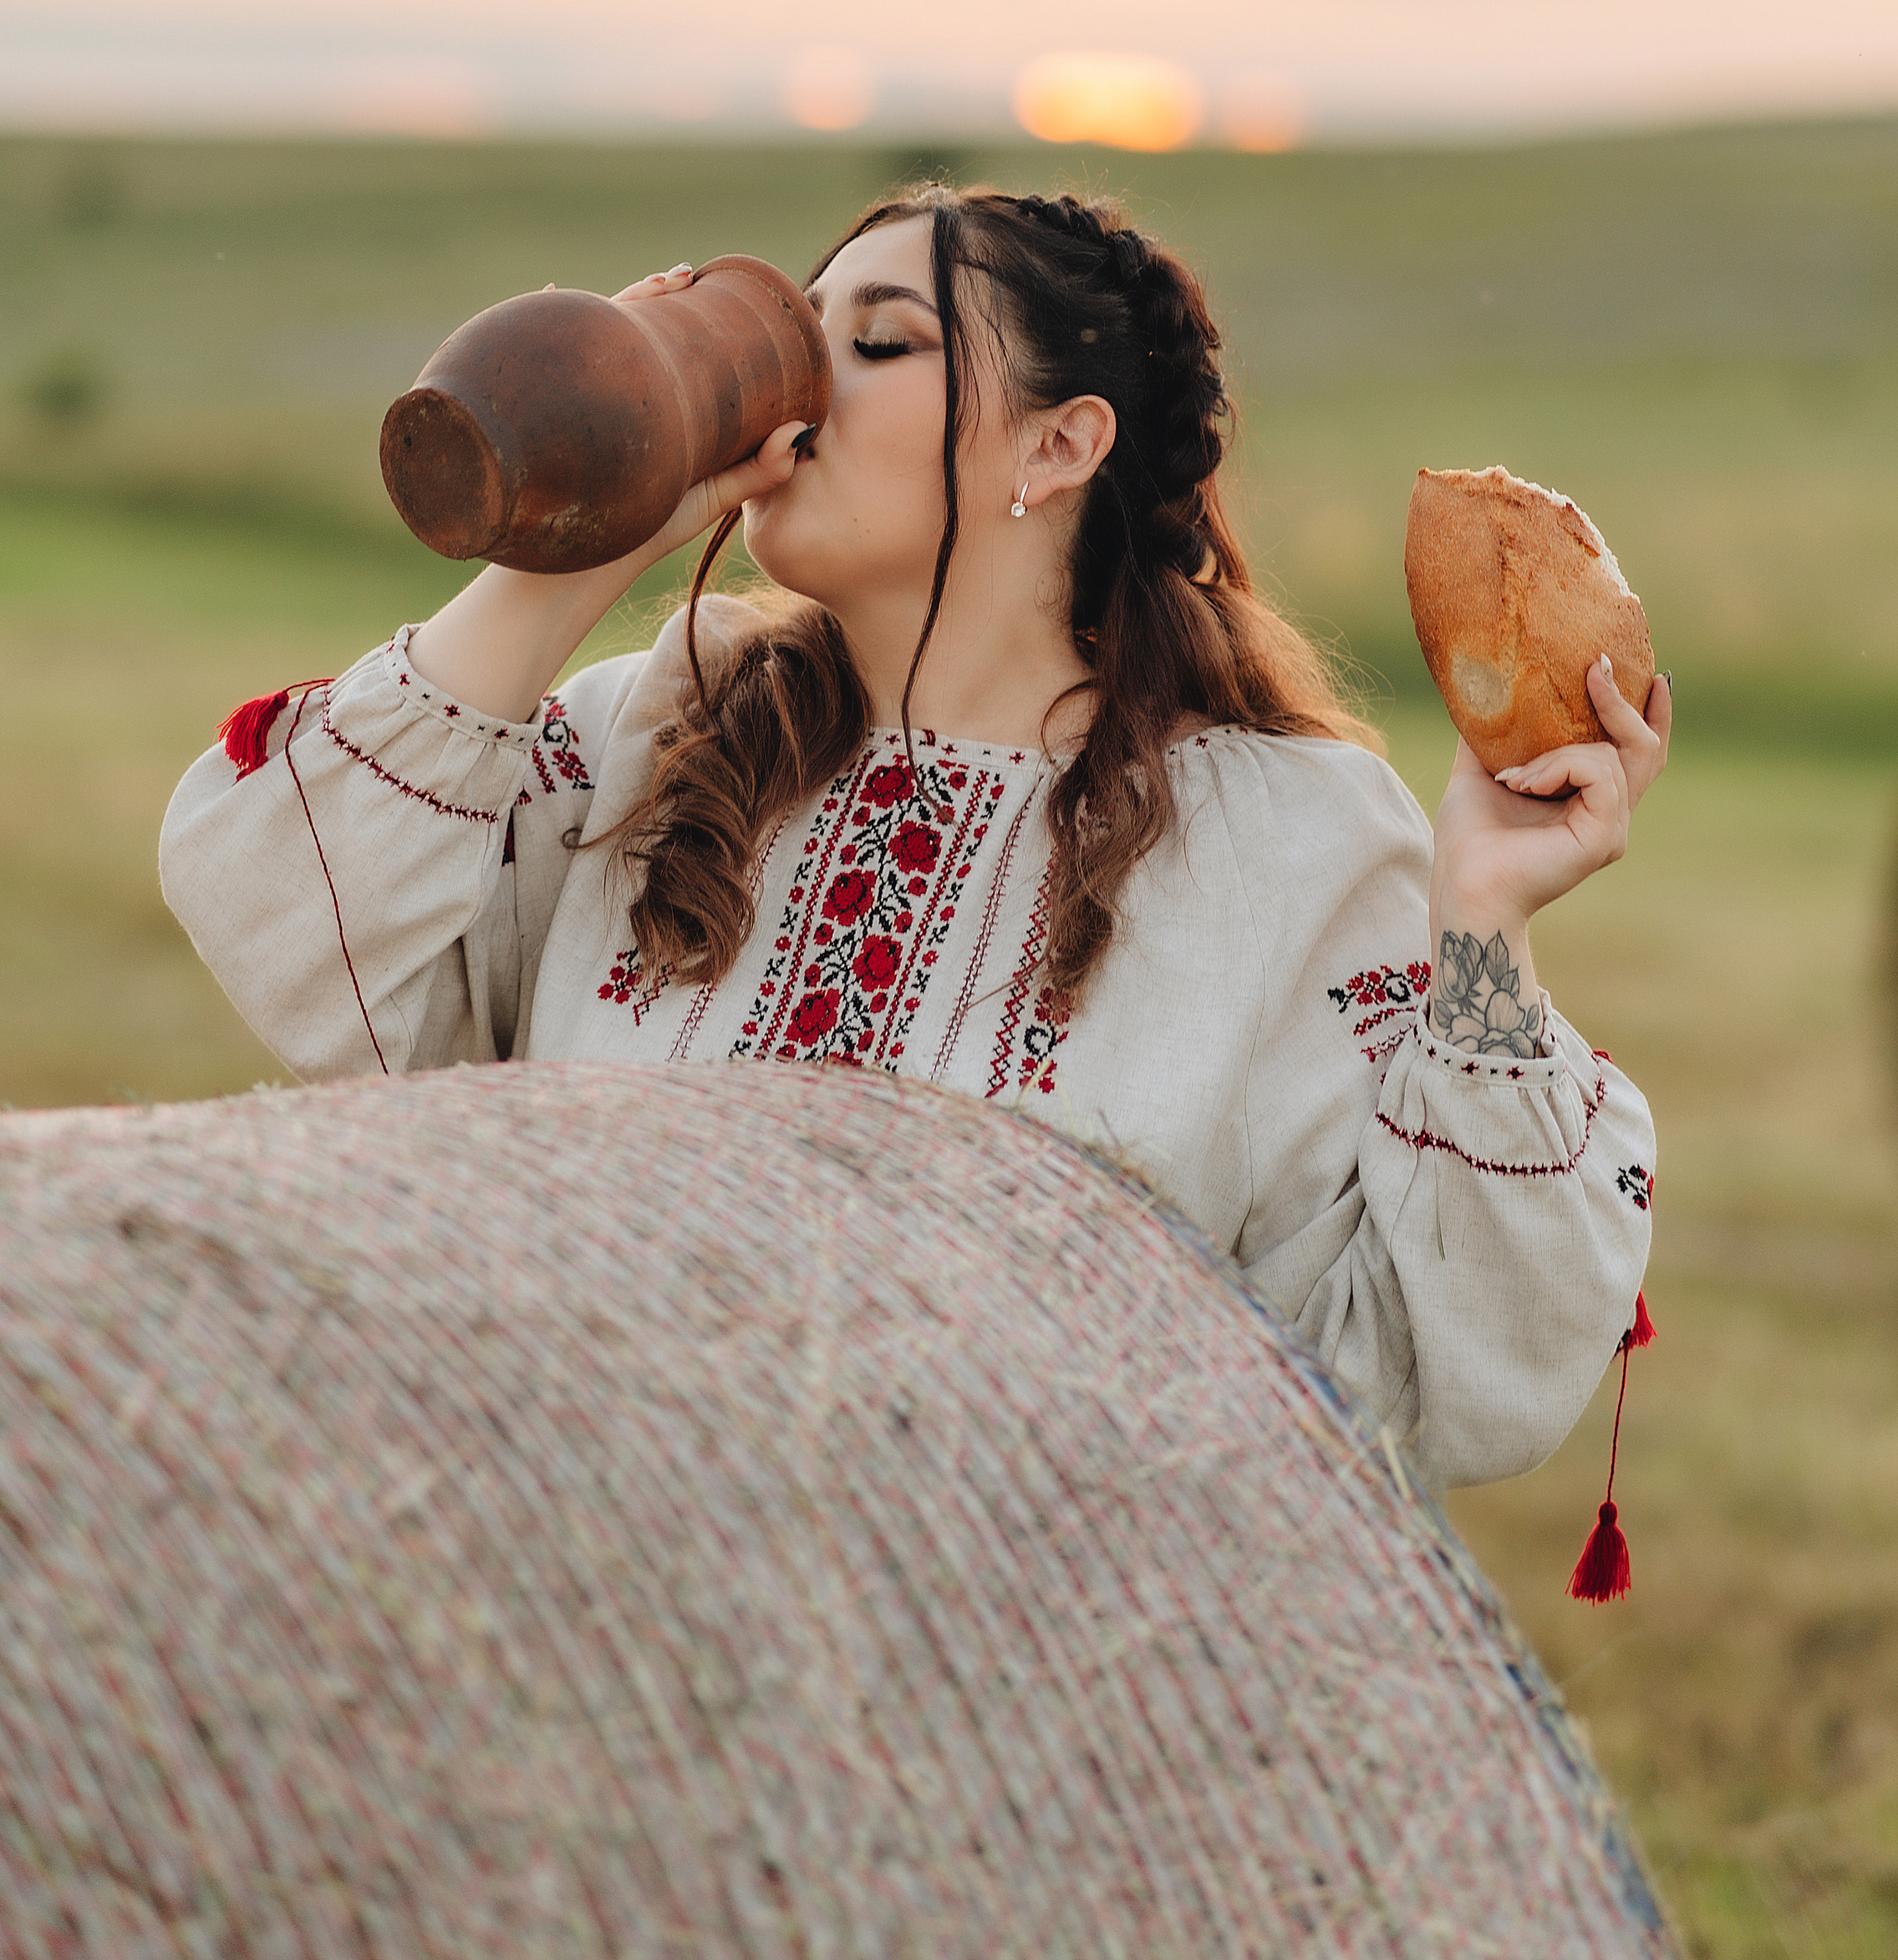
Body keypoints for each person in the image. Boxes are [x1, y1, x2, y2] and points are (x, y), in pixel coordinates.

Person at [161, 184, 1666, 1497]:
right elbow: (290, 920)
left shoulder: (1280, 835)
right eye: (800, 340)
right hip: (585, 1622)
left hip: (1002, 1703)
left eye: (878, 342)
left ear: (1061, 442)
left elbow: (1431, 1363)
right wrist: (581, 531)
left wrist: (1481, 916)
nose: (800, 393)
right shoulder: (652, 733)